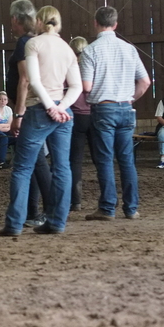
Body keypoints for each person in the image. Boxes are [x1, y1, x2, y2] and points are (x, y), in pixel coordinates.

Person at [0, 5, 82, 236]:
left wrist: (50, 108)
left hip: (39, 110)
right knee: (62, 167)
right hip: (64, 112)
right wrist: (61, 107)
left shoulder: (33, 44)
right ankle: (57, 222)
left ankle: (14, 224)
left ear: (38, 21)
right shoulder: (67, 48)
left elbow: (33, 81)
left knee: (22, 168)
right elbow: (75, 86)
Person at [80, 6, 151, 221]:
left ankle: (108, 207)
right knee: (127, 161)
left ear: (95, 23)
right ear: (116, 24)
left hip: (103, 109)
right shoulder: (129, 49)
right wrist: (130, 98)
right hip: (126, 108)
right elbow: (145, 81)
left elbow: (86, 86)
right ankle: (131, 208)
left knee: (104, 160)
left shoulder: (90, 51)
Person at [7, 0, 52, 227]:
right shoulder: (38, 41)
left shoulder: (24, 43)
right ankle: (33, 212)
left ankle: (51, 210)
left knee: (33, 162)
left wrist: (18, 114)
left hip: (30, 110)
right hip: (40, 107)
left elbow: (24, 80)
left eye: (11, 21)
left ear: (16, 19)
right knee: (35, 160)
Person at [68, 36, 95, 211]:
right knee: (101, 158)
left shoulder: (69, 68)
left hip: (76, 116)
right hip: (94, 115)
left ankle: (76, 200)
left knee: (75, 160)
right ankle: (109, 198)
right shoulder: (93, 67)